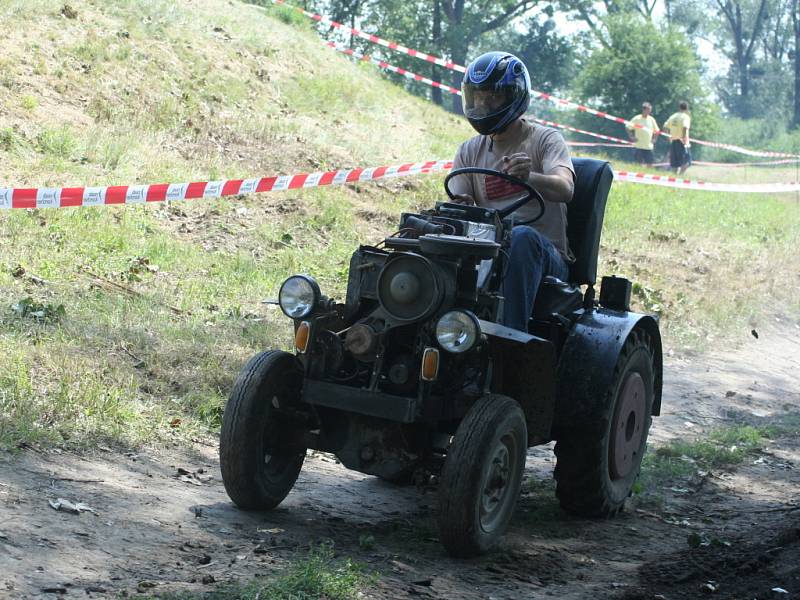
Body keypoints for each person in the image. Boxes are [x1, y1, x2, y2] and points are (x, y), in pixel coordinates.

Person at [448, 51, 575, 332]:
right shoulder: (469, 150)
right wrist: (462, 206)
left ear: (514, 95)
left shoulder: (545, 140)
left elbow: (566, 188)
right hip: (487, 251)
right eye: (478, 96)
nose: (483, 104)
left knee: (521, 238)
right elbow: (459, 203)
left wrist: (531, 177)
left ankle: (510, 340)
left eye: (492, 96)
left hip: (545, 255)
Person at [665, 101, 692, 174]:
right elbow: (685, 127)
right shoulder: (685, 117)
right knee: (687, 161)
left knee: (675, 163)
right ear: (687, 108)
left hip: (673, 141)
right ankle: (680, 176)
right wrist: (683, 138)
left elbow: (665, 126)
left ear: (679, 107)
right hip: (682, 142)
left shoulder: (673, 116)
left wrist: (668, 136)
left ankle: (674, 178)